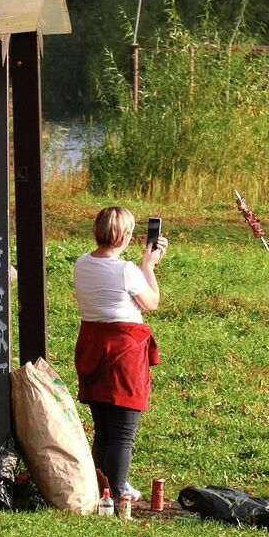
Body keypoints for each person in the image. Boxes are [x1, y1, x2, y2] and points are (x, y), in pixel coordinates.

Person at [73, 206, 166, 502]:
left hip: (92, 346)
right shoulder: (127, 271)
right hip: (123, 352)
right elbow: (151, 302)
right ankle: (117, 488)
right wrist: (148, 266)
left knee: (102, 428)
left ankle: (97, 487)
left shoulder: (81, 263)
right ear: (126, 235)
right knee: (123, 432)